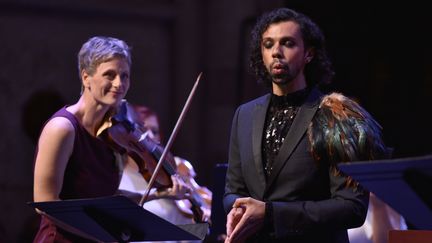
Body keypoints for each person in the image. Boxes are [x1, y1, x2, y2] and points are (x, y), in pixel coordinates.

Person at [223, 8, 389, 243]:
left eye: (287, 43)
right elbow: (232, 191)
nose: (276, 53)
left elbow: (352, 207)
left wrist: (270, 214)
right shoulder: (244, 114)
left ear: (309, 53)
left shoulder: (336, 114)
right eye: (268, 45)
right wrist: (237, 208)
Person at [32, 36, 192, 242]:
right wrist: (102, 236)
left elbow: (108, 199)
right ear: (85, 77)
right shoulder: (63, 128)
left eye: (124, 76)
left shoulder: (112, 132)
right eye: (110, 75)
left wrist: (162, 194)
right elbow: (45, 205)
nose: (119, 83)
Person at [118, 104, 212, 243]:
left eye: (154, 131)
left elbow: (192, 235)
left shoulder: (173, 170)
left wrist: (201, 215)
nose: (149, 136)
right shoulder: (117, 175)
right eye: (142, 129)